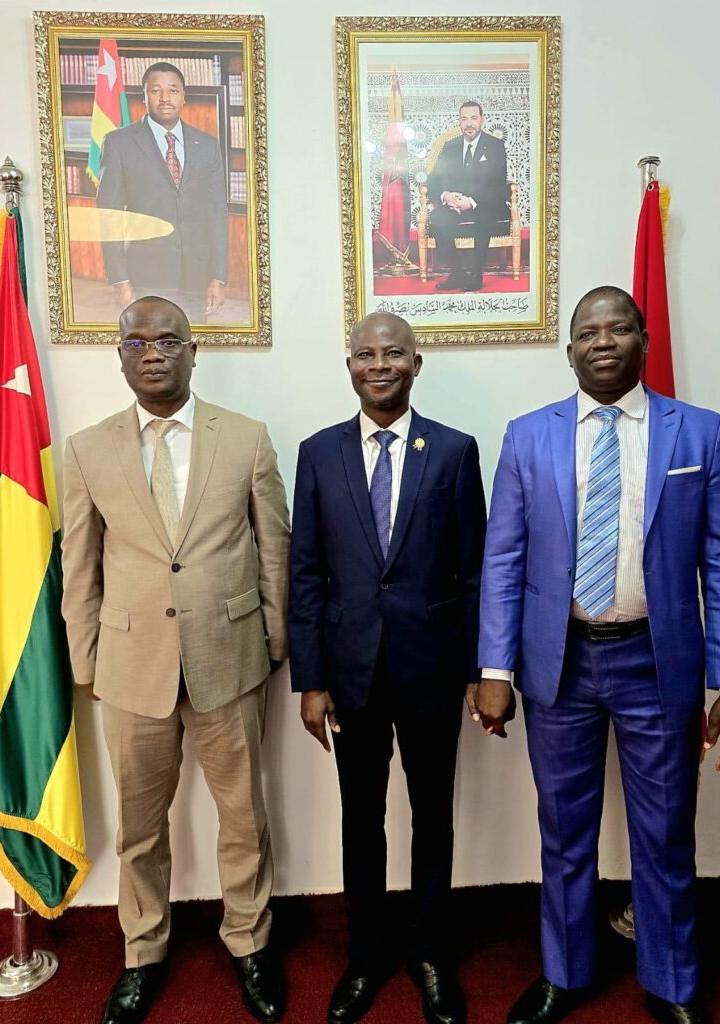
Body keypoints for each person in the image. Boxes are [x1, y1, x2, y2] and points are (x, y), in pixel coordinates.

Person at [475, 286, 720, 1024]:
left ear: (642, 341)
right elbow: (502, 560)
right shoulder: (527, 436)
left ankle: (670, 982)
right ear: (568, 350)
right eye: (587, 332)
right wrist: (495, 671)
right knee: (563, 828)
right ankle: (565, 975)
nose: (603, 341)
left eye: (618, 328)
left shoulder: (697, 433)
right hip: (556, 665)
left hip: (655, 663)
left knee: (664, 831)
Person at [61, 296, 290, 1024]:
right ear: (120, 356)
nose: (153, 351)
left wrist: (274, 643)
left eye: (169, 340)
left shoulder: (247, 438)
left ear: (195, 351)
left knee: (244, 816)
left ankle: (250, 942)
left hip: (230, 660)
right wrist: (86, 663)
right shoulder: (87, 449)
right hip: (129, 667)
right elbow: (79, 566)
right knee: (139, 825)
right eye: (137, 341)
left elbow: (274, 549)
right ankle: (142, 950)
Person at [289, 312, 486, 1024]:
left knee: (432, 818)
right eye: (366, 354)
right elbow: (305, 575)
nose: (379, 364)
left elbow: (473, 574)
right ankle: (366, 955)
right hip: (349, 676)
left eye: (393, 352)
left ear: (415, 363)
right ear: (349, 365)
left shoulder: (455, 452)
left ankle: (430, 953)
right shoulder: (319, 453)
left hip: (433, 671)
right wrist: (309, 680)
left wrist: (477, 668)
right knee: (359, 819)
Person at [95, 62, 228, 322]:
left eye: (173, 90)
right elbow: (108, 215)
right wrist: (120, 279)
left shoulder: (208, 146)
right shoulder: (118, 143)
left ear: (184, 96)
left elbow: (217, 214)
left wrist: (218, 276)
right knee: (150, 350)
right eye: (156, 91)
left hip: (197, 277)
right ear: (144, 96)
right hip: (145, 274)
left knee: (189, 350)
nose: (165, 98)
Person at [426, 100, 508, 292]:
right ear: (459, 122)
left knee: (484, 215)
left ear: (482, 120)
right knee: (438, 217)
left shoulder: (495, 146)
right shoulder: (450, 146)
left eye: (473, 118)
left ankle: (476, 273)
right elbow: (433, 180)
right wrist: (447, 196)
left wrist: (471, 202)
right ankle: (457, 272)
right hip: (456, 205)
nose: (469, 123)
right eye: (464, 119)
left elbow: (498, 183)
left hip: (486, 204)